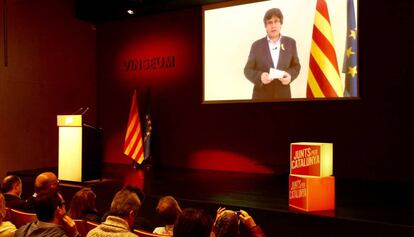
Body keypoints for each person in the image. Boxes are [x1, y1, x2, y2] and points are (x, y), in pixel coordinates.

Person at [244, 8, 301, 100]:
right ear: (265, 26)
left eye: (276, 21)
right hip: (261, 98)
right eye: (269, 22)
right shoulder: (256, 45)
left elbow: (296, 66)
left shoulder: (291, 43)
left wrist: (290, 76)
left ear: (281, 24)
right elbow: (247, 70)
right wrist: (260, 76)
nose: (273, 25)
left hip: (284, 96)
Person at [15, 191, 80, 237]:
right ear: (58, 210)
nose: (65, 207)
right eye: (64, 203)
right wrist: (75, 234)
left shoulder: (21, 231)